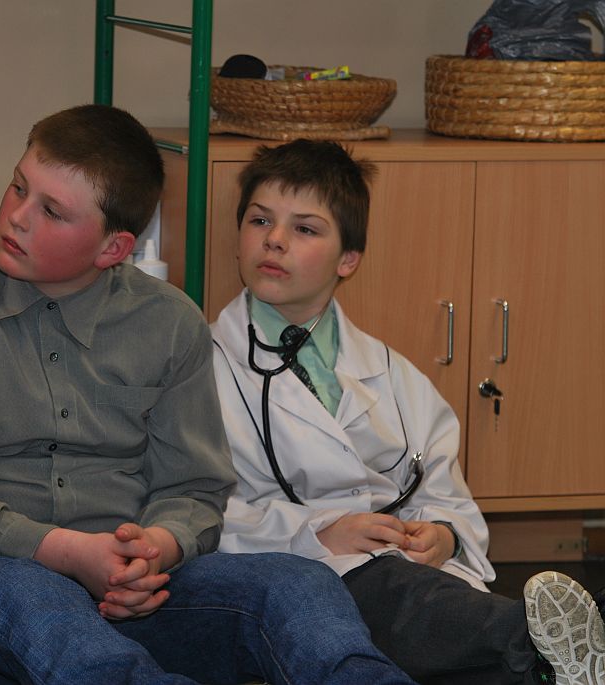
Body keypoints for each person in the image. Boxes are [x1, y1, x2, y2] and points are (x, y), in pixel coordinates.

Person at [0, 103, 416, 685]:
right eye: (19, 187)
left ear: (113, 248)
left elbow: (195, 488)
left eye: (52, 211)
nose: (17, 216)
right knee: (26, 593)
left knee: (299, 583)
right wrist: (70, 553)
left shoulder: (170, 322)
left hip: (141, 589)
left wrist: (155, 550)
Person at [211, 139, 605, 685]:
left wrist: (442, 536)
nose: (274, 239)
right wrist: (318, 534)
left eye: (304, 228)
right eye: (260, 220)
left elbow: (448, 497)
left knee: (447, 635)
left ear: (348, 260)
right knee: (408, 603)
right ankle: (537, 641)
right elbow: (200, 513)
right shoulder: (201, 367)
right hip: (298, 576)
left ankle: (552, 655)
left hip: (413, 582)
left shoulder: (394, 374)